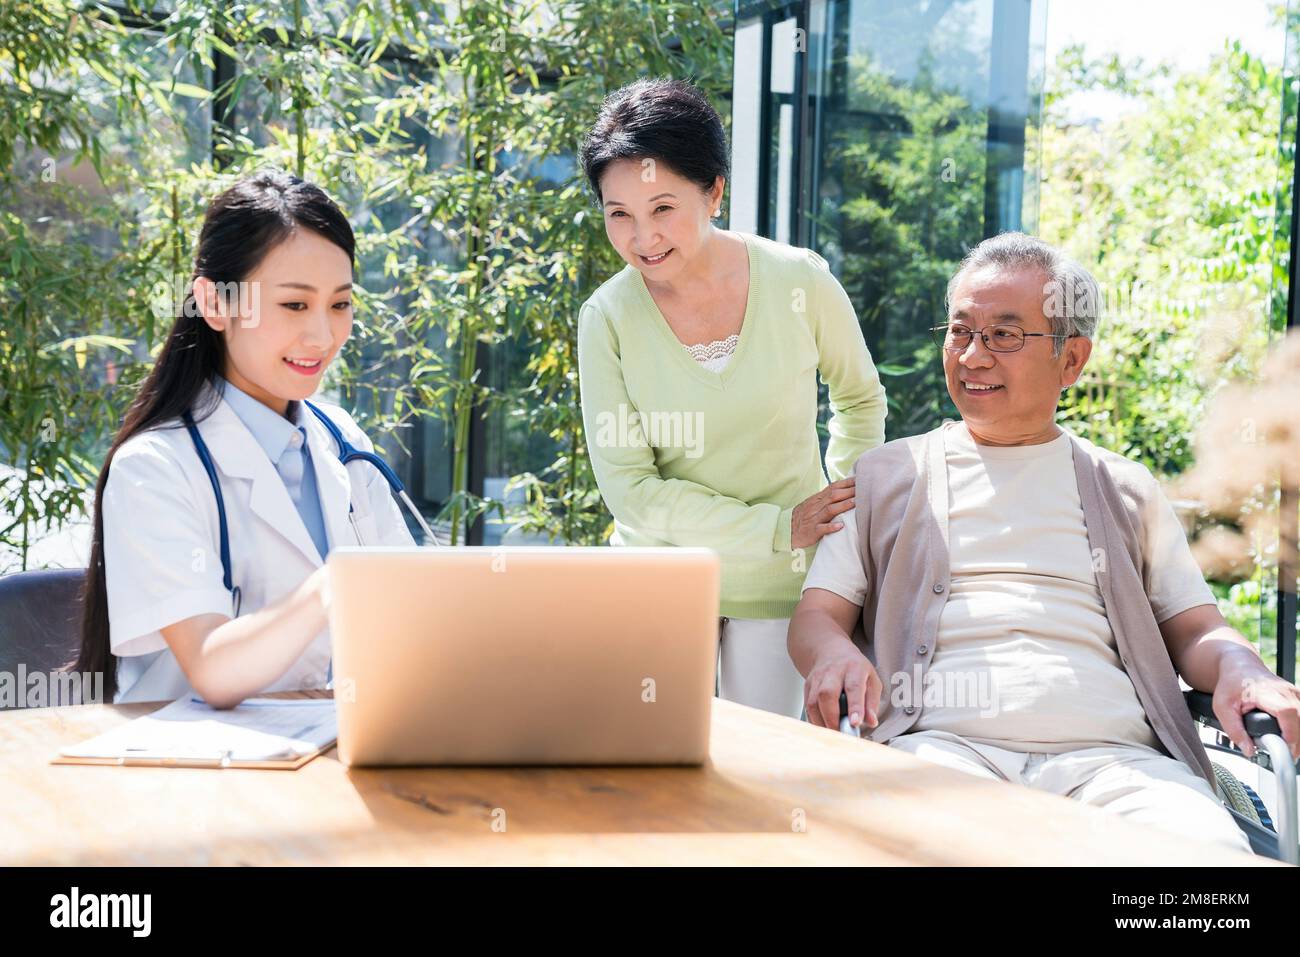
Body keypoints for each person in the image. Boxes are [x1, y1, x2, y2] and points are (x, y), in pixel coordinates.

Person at [788, 231, 1300, 852]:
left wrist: (1242, 666)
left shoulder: (1124, 487)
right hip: (941, 751)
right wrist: (832, 655)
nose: (973, 356)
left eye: (1004, 335)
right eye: (960, 331)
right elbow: (819, 616)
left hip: (1117, 764)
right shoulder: (886, 476)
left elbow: (1194, 631)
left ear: (1072, 360)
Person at [577, 78, 887, 718]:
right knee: (654, 773)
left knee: (765, 779)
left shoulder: (798, 280)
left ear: (714, 190)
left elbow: (858, 398)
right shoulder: (605, 317)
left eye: (663, 208)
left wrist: (839, 514)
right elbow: (630, 488)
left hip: (781, 584)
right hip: (660, 580)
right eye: (619, 215)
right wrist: (780, 526)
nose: (642, 238)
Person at [73, 170, 415, 708]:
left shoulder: (341, 439)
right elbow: (213, 667)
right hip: (201, 774)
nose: (323, 336)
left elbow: (411, 612)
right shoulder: (153, 468)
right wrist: (336, 584)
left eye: (340, 304)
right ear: (214, 304)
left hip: (331, 750)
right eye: (294, 305)